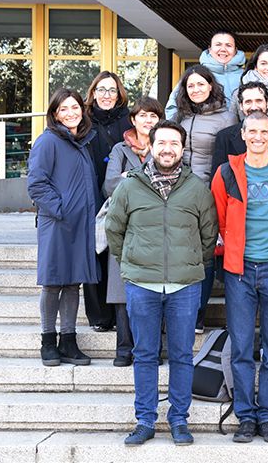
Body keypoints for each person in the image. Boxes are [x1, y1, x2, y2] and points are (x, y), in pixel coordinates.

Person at [106, 120, 217, 447]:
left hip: (185, 285)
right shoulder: (129, 187)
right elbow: (114, 230)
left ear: (183, 149)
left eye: (174, 144)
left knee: (182, 354)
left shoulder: (197, 187)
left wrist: (194, 262)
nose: (168, 149)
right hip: (142, 284)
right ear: (150, 147)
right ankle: (145, 419)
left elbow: (208, 234)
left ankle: (179, 419)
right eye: (162, 143)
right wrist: (131, 262)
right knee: (145, 354)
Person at [211, 111, 268, 443]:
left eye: (264, 131)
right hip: (239, 271)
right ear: (242, 133)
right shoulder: (226, 172)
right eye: (252, 131)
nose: (258, 137)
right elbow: (221, 219)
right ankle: (245, 416)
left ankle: (267, 415)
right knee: (240, 347)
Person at [28, 88, 99, 368]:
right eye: (64, 109)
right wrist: (61, 210)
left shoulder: (81, 142)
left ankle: (68, 341)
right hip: (57, 224)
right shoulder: (48, 142)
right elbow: (36, 183)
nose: (71, 113)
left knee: (73, 283)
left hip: (80, 224)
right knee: (53, 281)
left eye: (75, 108)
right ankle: (48, 339)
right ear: (54, 114)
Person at [103, 96, 163, 367]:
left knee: (154, 289)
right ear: (133, 119)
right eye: (143, 116)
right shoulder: (119, 149)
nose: (148, 121)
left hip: (156, 226)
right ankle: (123, 348)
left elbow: (168, 182)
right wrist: (141, 179)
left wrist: (130, 178)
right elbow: (111, 183)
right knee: (121, 289)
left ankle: (150, 348)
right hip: (125, 226)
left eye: (153, 116)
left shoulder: (164, 146)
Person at [173, 64, 231, 331]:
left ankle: (198, 313)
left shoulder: (226, 117)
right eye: (191, 85)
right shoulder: (179, 117)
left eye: (201, 84)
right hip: (179, 193)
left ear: (211, 85)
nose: (196, 89)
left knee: (205, 254)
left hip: (209, 193)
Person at [84, 70, 130, 333]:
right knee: (94, 253)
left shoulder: (127, 120)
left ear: (119, 94)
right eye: (101, 89)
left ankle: (118, 312)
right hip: (91, 193)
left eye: (112, 90)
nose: (106, 95)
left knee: (115, 253)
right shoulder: (84, 120)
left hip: (118, 191)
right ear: (93, 93)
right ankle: (99, 317)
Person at [211, 82, 268, 177]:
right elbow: (218, 178)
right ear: (241, 106)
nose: (254, 107)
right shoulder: (224, 137)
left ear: (267, 103)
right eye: (248, 102)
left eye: (259, 101)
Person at [165, 30, 246, 119]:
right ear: (210, 49)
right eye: (218, 45)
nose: (223, 49)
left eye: (228, 45)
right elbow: (173, 107)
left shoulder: (245, 76)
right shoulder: (196, 74)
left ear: (235, 50)